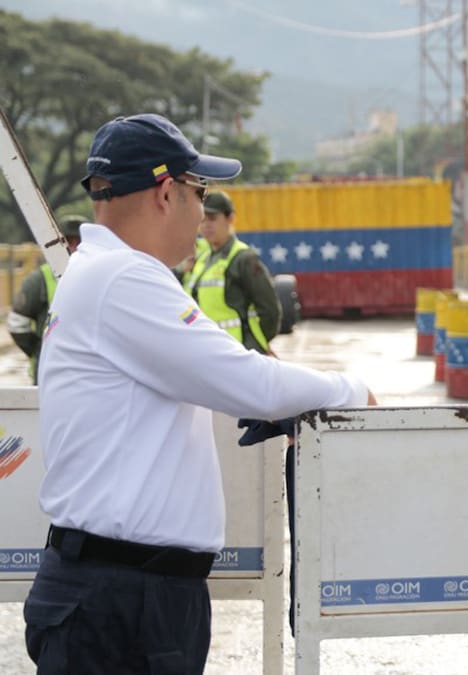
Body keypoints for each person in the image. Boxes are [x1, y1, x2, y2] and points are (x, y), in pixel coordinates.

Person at [22, 113, 374, 674]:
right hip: (122, 599)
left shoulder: (101, 271)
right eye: (200, 193)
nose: (201, 214)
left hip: (124, 590)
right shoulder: (124, 279)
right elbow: (250, 383)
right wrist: (352, 390)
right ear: (167, 193)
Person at [182, 189, 281, 354]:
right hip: (211, 352)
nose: (206, 225)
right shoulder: (203, 260)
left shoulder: (243, 259)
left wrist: (253, 346)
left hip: (238, 353)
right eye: (202, 219)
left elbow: (270, 311)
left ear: (230, 218)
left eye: (212, 219)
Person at [7, 215, 84, 384]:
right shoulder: (39, 280)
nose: (74, 248)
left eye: (79, 242)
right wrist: (40, 350)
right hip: (48, 375)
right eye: (68, 242)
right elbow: (16, 324)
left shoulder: (100, 276)